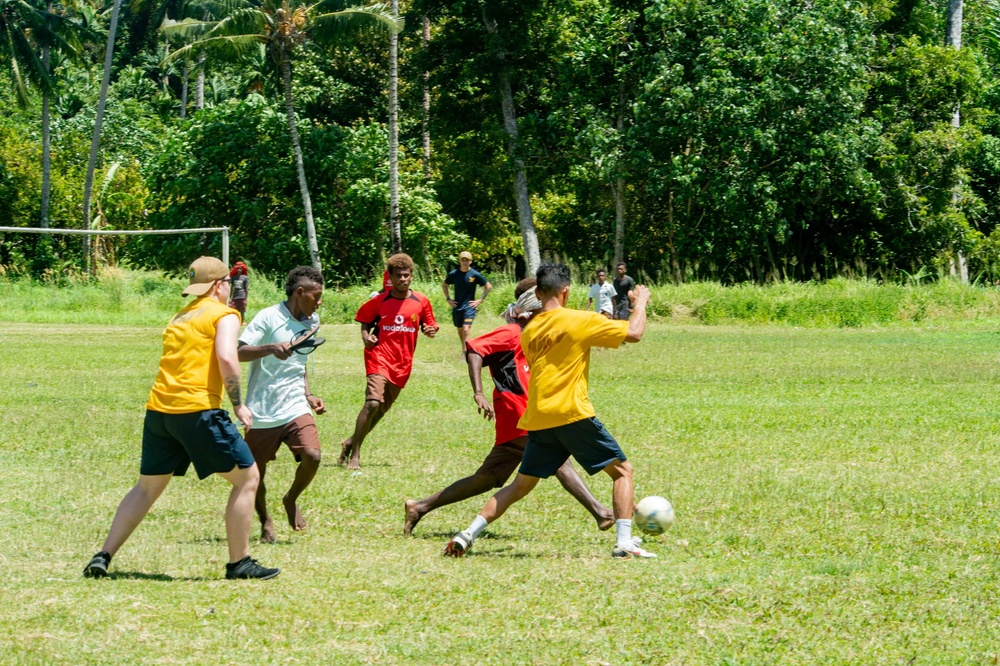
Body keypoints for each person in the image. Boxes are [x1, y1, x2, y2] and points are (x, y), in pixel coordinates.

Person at [83, 256, 279, 580]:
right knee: (248, 479)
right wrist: (238, 404)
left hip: (160, 412)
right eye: (228, 282)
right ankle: (239, 563)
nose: (230, 288)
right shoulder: (225, 315)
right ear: (219, 286)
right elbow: (228, 358)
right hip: (197, 410)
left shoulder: (181, 316)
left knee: (146, 489)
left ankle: (103, 556)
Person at [444, 262, 656, 559]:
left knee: (519, 485)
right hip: (571, 412)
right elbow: (634, 333)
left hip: (539, 418)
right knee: (622, 472)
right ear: (565, 292)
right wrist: (641, 301)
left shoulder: (529, 333)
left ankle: (467, 535)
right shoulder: (578, 320)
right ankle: (624, 541)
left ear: (539, 292)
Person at [404, 286, 614, 535]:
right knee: (558, 458)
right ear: (528, 312)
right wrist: (478, 392)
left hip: (521, 414)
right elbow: (475, 349)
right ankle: (600, 512)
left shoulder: (534, 336)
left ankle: (420, 506)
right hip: (517, 412)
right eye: (542, 310)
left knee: (489, 477)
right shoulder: (512, 332)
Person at [238, 266, 326, 543]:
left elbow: (299, 364)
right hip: (262, 409)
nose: (320, 302)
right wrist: (270, 348)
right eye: (316, 296)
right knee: (255, 473)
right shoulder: (268, 317)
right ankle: (265, 522)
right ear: (300, 293)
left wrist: (308, 395)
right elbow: (238, 352)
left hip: (294, 404)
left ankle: (291, 498)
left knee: (313, 456)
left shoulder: (313, 321)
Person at [339, 253, 438, 470]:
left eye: (407, 275)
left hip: (402, 363)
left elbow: (429, 325)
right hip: (379, 356)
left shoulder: (421, 301)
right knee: (372, 402)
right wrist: (366, 338)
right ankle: (355, 455)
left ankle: (349, 443)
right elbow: (365, 322)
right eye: (399, 276)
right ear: (390, 277)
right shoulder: (379, 301)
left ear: (412, 276)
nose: (403, 279)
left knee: (381, 410)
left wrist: (430, 331)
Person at [443, 251, 492, 355]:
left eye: (467, 260)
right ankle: (464, 346)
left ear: (470, 261)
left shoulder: (474, 274)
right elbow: (444, 284)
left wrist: (480, 299)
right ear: (460, 261)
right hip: (457, 306)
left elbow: (488, 286)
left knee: (466, 329)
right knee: (460, 329)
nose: (465, 262)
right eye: (463, 260)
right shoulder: (454, 274)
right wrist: (448, 299)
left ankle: (466, 352)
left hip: (469, 307)